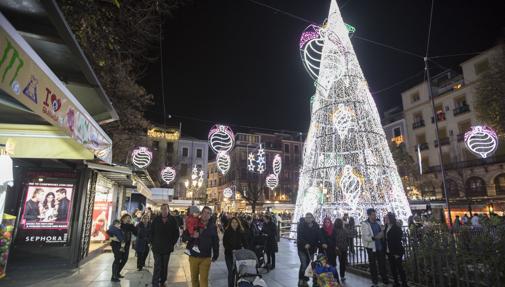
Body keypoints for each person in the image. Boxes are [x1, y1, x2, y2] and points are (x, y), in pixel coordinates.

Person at [188, 206, 219, 287]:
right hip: (193, 256)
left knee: (204, 281)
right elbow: (184, 237)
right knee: (194, 279)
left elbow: (215, 242)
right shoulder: (193, 222)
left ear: (210, 215)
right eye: (204, 212)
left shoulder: (213, 227)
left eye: (208, 213)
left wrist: (216, 254)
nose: (206, 215)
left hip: (206, 257)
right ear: (201, 213)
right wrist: (192, 236)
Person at [151, 204, 179, 287]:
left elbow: (176, 233)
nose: (163, 210)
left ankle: (163, 280)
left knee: (164, 265)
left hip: (167, 247)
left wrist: (172, 243)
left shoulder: (173, 220)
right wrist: (152, 242)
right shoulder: (156, 219)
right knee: (157, 265)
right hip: (157, 246)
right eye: (162, 209)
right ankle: (155, 282)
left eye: (165, 209)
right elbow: (151, 231)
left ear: (168, 210)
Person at [362, 208, 389, 287]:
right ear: (369, 215)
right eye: (373, 215)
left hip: (380, 247)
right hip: (371, 248)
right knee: (373, 265)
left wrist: (383, 231)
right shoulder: (365, 224)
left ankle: (385, 281)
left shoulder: (378, 222)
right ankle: (375, 282)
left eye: (375, 214)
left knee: (382, 264)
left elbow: (383, 231)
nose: (375, 216)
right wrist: (375, 237)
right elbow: (365, 237)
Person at [385, 212, 408, 287]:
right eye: (385, 218)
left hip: (396, 251)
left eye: (387, 218)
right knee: (393, 268)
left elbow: (397, 240)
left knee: (400, 268)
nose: (385, 219)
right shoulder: (386, 227)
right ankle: (396, 282)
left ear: (390, 219)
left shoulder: (396, 228)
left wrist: (397, 253)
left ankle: (404, 283)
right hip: (389, 251)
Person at [223, 217, 248, 287]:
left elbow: (245, 242)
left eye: (236, 222)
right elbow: (225, 243)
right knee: (231, 272)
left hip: (238, 255)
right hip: (229, 255)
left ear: (238, 223)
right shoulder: (227, 231)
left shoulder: (241, 231)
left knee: (237, 272)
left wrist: (245, 249)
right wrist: (231, 250)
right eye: (233, 222)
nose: (234, 224)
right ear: (230, 223)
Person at [297, 213, 320, 287]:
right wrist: (305, 244)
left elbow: (317, 237)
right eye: (306, 217)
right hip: (302, 249)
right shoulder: (301, 226)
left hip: (312, 249)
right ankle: (301, 279)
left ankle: (305, 280)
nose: (308, 219)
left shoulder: (316, 226)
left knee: (309, 265)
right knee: (304, 265)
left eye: (309, 217)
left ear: (313, 218)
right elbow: (300, 237)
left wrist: (316, 244)